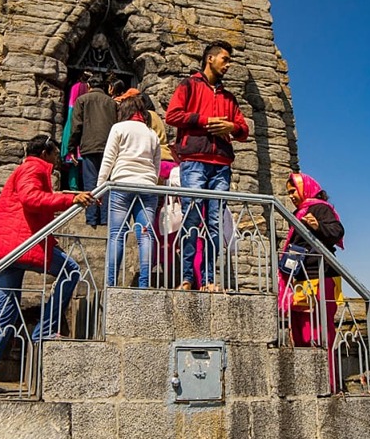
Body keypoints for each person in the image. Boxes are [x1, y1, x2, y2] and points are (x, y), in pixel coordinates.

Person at [0, 135, 95, 395]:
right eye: (55, 152)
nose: (57, 158)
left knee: (6, 314)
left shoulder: (24, 169)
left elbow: (27, 215)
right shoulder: (33, 169)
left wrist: (51, 241)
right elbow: (31, 200)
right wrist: (69, 198)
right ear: (46, 151)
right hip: (21, 247)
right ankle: (45, 329)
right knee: (71, 270)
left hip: (7, 249)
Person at [165, 40, 250, 291]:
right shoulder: (188, 85)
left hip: (221, 164)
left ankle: (210, 279)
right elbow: (172, 115)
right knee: (191, 218)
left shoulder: (228, 96)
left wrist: (230, 127)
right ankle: (188, 278)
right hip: (194, 162)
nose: (228, 64)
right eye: (225, 58)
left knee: (215, 221)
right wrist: (204, 120)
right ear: (210, 59)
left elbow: (243, 130)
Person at [277, 172, 345, 389]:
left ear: (304, 188)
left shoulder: (320, 208)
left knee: (319, 332)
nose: (291, 196)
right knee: (301, 332)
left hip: (320, 277)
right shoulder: (299, 212)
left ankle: (327, 383)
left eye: (293, 191)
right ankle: (309, 383)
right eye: (288, 193)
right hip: (302, 277)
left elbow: (337, 231)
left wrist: (317, 226)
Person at [97, 94, 162, 287]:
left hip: (122, 184)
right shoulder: (152, 134)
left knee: (117, 234)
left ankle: (111, 283)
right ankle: (144, 283)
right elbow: (156, 166)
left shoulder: (119, 128)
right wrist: (151, 181)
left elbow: (108, 159)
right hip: (147, 187)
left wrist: (100, 187)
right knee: (145, 234)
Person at [69, 73, 118, 227]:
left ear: (89, 86)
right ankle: (105, 218)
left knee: (90, 183)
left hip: (89, 146)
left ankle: (91, 218)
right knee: (106, 183)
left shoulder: (82, 100)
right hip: (109, 147)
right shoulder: (112, 103)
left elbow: (77, 126)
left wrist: (72, 147)